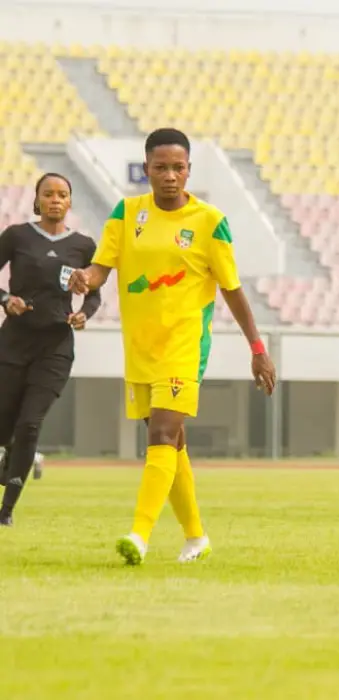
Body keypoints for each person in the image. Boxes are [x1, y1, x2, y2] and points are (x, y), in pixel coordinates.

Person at [68, 128, 276, 565]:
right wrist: (85, 278)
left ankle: (139, 536)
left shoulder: (209, 222)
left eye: (178, 168)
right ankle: (196, 537)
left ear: (188, 171)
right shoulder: (126, 214)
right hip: (140, 347)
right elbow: (102, 268)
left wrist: (257, 349)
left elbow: (233, 289)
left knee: (160, 432)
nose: (169, 176)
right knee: (172, 442)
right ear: (145, 170)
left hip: (184, 345)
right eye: (160, 167)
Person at [0, 173, 99, 525]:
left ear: (70, 202)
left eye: (62, 195)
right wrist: (5, 299)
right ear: (37, 200)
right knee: (5, 427)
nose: (56, 200)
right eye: (49, 194)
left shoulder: (84, 245)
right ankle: (15, 459)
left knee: (30, 424)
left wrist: (83, 314)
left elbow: (94, 293)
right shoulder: (16, 236)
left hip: (55, 346)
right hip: (12, 342)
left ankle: (6, 511)